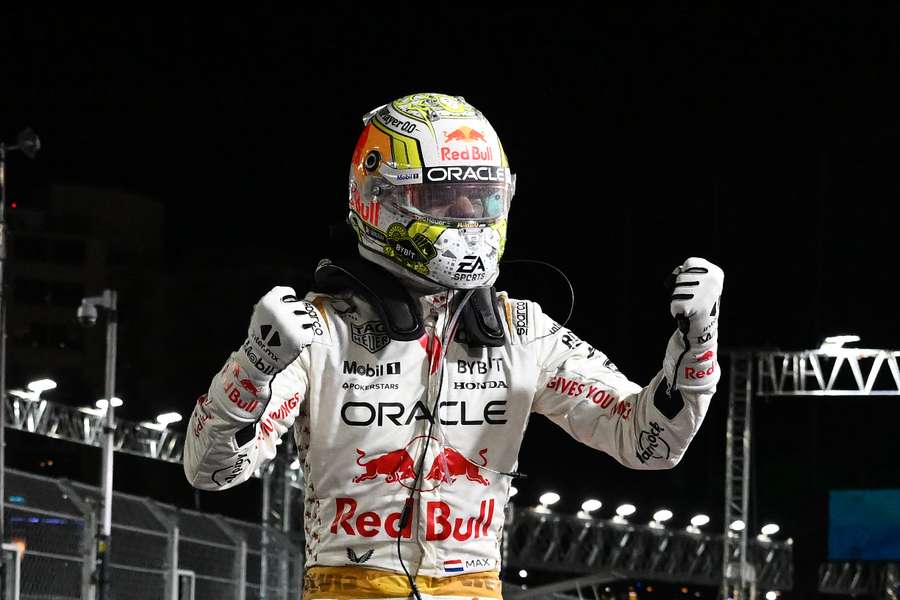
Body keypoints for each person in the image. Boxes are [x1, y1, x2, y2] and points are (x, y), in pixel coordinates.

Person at [183, 92, 724, 600]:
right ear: (379, 199)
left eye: (483, 194)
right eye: (441, 196)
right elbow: (211, 472)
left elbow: (648, 442)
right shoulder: (319, 331)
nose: (468, 214)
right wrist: (252, 369)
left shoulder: (522, 331)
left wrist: (698, 341)